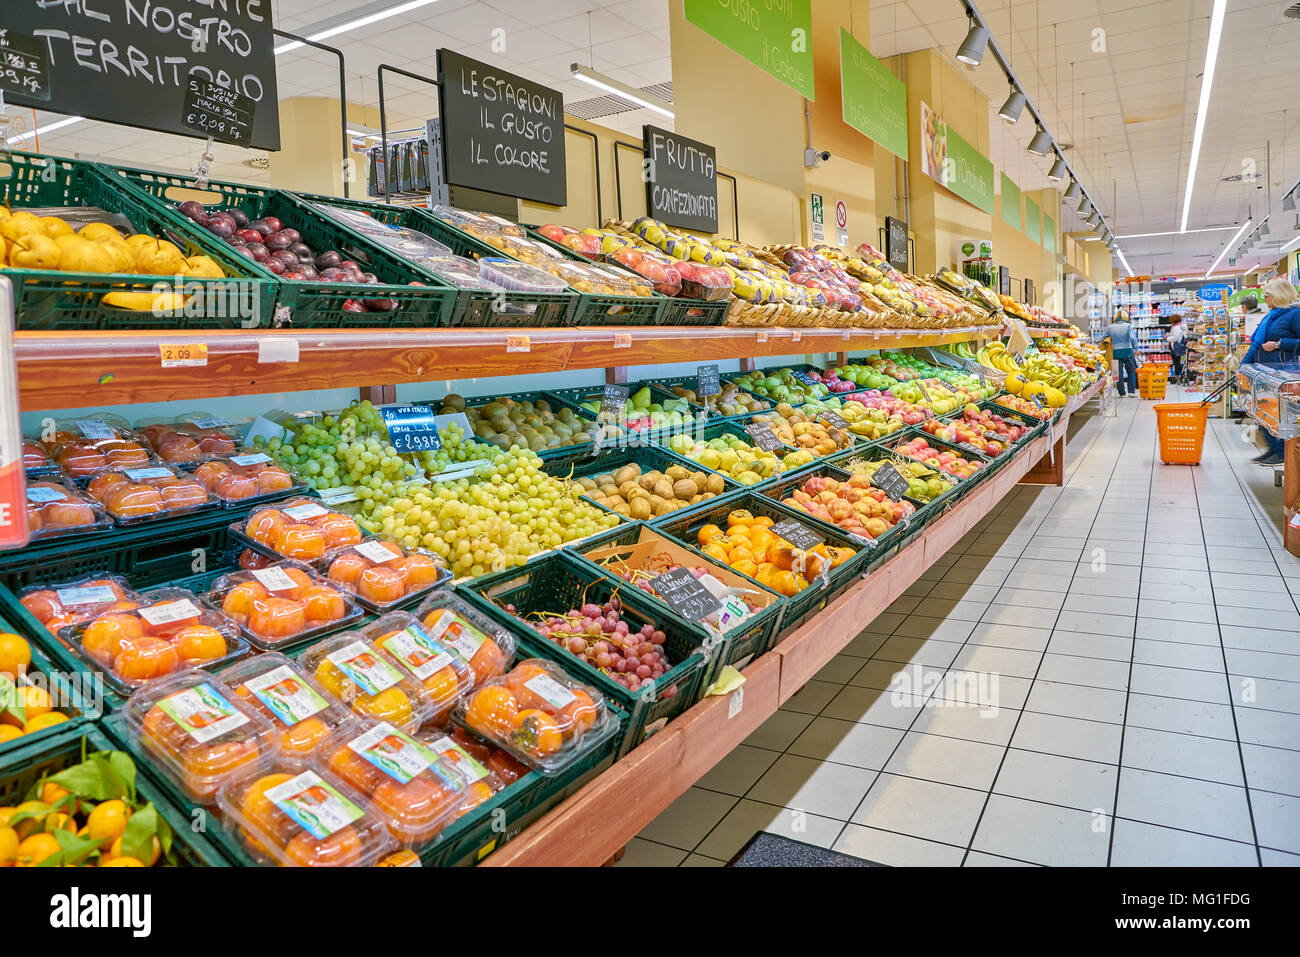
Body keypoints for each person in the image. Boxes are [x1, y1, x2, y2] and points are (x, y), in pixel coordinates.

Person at [1241, 278, 1300, 465]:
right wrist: (1243, 367)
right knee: (1263, 411)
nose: (1265, 299)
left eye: (1267, 295)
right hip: (1264, 373)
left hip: (1285, 374)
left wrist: (1278, 344)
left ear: (1279, 295)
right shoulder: (1270, 316)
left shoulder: (1295, 314)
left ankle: (1282, 453)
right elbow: (1255, 344)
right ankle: (1272, 449)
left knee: (1282, 415)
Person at [1104, 310, 1139, 397]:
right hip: (1128, 352)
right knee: (1131, 372)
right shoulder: (1128, 326)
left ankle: (1122, 393)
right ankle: (1131, 392)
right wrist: (1136, 348)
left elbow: (1102, 337)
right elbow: (1132, 338)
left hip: (1115, 353)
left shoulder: (1110, 327)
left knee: (1118, 373)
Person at [1166, 315, 1187, 383]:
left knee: (1176, 362)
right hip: (1182, 346)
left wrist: (1168, 338)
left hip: (1176, 347)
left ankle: (1177, 377)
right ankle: (1182, 375)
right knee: (1181, 362)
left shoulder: (1176, 328)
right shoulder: (1182, 326)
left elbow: (1176, 337)